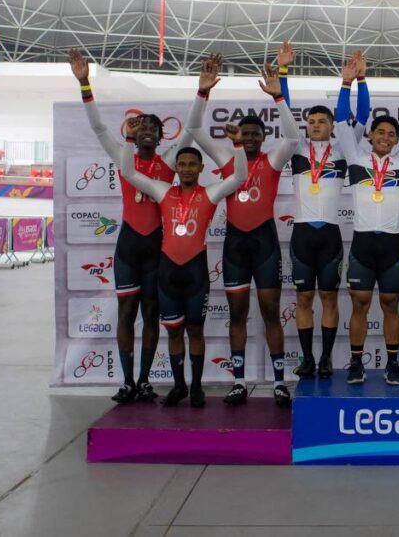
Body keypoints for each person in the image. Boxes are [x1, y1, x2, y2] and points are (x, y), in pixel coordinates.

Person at [70, 48, 216, 403]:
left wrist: (203, 90)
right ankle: (126, 381)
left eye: (154, 128)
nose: (148, 132)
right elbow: (99, 127)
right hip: (128, 247)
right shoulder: (124, 160)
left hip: (157, 249)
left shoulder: (170, 162)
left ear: (162, 137)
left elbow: (193, 128)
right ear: (134, 135)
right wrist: (85, 83)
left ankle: (147, 379)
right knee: (126, 312)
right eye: (142, 128)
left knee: (152, 313)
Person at [189, 46, 299, 407]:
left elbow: (293, 138)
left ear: (262, 138)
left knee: (270, 312)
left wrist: (279, 96)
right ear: (237, 137)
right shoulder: (226, 157)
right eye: (245, 135)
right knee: (237, 314)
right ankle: (238, 381)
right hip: (236, 244)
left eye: (255, 135)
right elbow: (193, 129)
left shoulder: (273, 159)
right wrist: (203, 92)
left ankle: (280, 382)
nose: (250, 139)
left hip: (265, 242)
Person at [118, 125, 247, 407]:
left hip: (195, 271)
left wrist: (238, 146)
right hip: (168, 271)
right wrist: (129, 139)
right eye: (182, 164)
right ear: (176, 168)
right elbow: (128, 172)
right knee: (174, 330)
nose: (187, 169)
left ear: (201, 168)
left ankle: (197, 386)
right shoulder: (162, 190)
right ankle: (179, 386)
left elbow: (239, 176)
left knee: (195, 331)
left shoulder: (211, 193)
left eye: (192, 164)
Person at [336, 60, 399, 385]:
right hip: (362, 244)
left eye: (392, 134)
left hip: (391, 245)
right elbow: (341, 122)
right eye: (381, 132)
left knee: (391, 305)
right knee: (359, 306)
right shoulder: (356, 155)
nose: (386, 137)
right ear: (371, 135)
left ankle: (391, 364)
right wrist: (348, 83)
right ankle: (357, 364)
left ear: (397, 140)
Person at [289, 50, 370, 380]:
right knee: (304, 297)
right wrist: (281, 73)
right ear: (305, 127)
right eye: (311, 122)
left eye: (323, 121)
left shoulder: (342, 149)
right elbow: (283, 108)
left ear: (332, 127)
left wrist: (354, 81)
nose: (317, 125)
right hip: (302, 235)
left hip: (330, 236)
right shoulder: (296, 148)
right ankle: (307, 358)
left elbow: (361, 115)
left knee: (329, 297)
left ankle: (325, 358)